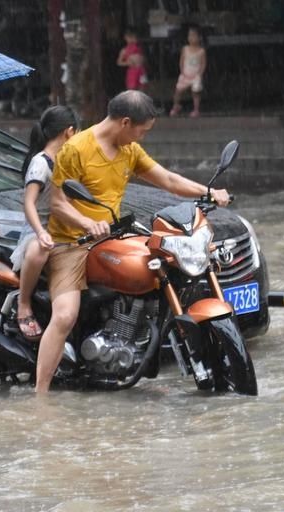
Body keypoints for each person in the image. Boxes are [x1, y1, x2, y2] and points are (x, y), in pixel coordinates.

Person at [35, 90, 230, 393]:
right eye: (142, 129)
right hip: (71, 241)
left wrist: (207, 192)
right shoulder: (76, 149)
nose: (142, 136)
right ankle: (40, 397)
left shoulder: (129, 151)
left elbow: (167, 180)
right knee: (64, 315)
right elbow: (58, 203)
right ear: (126, 122)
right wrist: (88, 222)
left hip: (113, 235)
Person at [9, 106, 79, 341]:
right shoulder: (41, 162)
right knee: (40, 249)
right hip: (38, 228)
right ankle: (24, 303)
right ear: (69, 132)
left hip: (64, 228)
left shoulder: (68, 160)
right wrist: (40, 233)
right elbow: (28, 203)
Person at [169, 25, 206, 118]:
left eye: (194, 36)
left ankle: (196, 109)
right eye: (190, 35)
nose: (191, 38)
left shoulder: (201, 51)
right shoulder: (185, 49)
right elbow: (181, 61)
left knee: (195, 92)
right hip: (185, 74)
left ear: (199, 38)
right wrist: (182, 71)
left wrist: (200, 74)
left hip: (196, 75)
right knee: (178, 91)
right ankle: (176, 106)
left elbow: (203, 64)